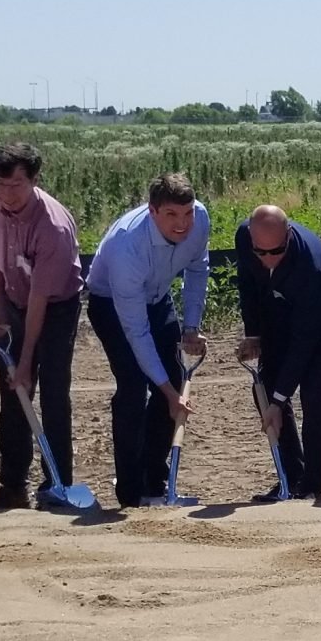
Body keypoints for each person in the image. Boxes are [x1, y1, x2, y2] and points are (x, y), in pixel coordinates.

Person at [0, 141, 85, 510]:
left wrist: (25, 361)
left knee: (51, 390)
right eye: (0, 184)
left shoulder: (53, 227)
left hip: (55, 305)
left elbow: (40, 299)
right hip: (14, 299)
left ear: (35, 180)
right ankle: (12, 484)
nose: (6, 194)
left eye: (16, 185)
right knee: (12, 396)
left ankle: (58, 482)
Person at [87, 173, 211, 508]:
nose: (182, 224)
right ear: (152, 211)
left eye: (186, 213)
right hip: (112, 304)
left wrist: (191, 325)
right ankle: (129, 494)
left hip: (157, 297)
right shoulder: (128, 246)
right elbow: (137, 333)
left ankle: (154, 484)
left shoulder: (199, 218)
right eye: (171, 215)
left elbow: (198, 268)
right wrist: (171, 396)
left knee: (170, 379)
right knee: (133, 388)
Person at [235, 205, 321, 501]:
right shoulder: (245, 238)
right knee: (263, 387)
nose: (267, 259)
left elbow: (304, 341)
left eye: (275, 251)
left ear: (288, 235)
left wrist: (279, 400)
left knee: (311, 390)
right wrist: (253, 333)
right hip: (282, 313)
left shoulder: (309, 267)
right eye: (260, 252)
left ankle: (312, 484)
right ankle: (290, 476)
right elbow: (248, 283)